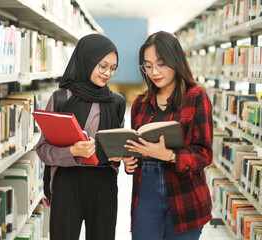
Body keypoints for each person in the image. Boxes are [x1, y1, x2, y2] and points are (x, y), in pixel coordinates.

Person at [122, 31, 213, 240]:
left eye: (161, 63)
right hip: (146, 192)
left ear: (175, 61)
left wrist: (170, 155)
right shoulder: (140, 103)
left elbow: (205, 154)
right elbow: (136, 146)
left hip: (185, 193)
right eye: (148, 65)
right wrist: (130, 162)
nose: (154, 71)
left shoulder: (196, 96)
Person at [35, 33, 126, 240]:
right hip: (67, 182)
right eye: (102, 66)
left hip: (104, 183)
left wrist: (119, 155)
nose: (108, 73)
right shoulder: (61, 99)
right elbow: (42, 150)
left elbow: (119, 147)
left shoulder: (117, 103)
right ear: (87, 60)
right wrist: (72, 152)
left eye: (113, 68)